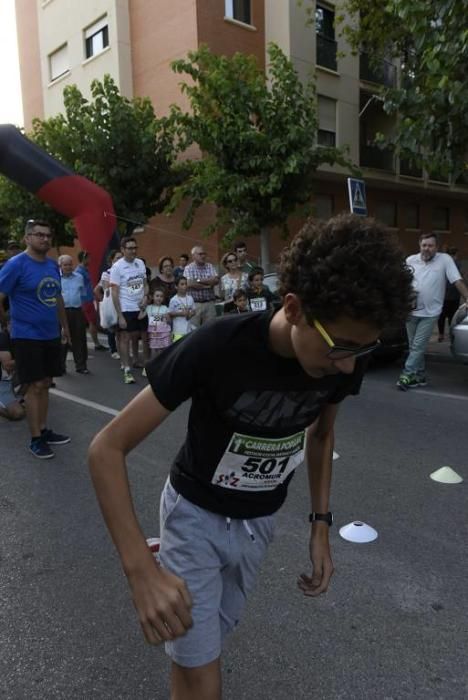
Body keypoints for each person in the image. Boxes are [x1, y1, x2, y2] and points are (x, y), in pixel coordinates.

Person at [88, 213, 414, 700]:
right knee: (202, 672)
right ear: (294, 307)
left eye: (362, 350)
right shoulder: (217, 346)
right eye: (341, 348)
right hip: (194, 515)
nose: (347, 366)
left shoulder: (345, 355)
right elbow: (106, 449)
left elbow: (322, 437)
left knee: (205, 646)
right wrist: (141, 573)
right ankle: (169, 565)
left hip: (259, 523)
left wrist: (320, 525)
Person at [0, 219, 71, 459]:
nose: (45, 239)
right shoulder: (15, 265)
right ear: (27, 238)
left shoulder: (52, 265)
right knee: (34, 385)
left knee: (46, 383)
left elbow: (57, 297)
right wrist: (6, 324)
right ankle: (35, 439)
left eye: (48, 235)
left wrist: (65, 327)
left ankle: (43, 429)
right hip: (27, 335)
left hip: (50, 334)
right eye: (39, 235)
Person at [397, 232, 468, 390]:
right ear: (419, 245)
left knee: (418, 346)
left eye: (430, 245)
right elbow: (401, 281)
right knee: (414, 346)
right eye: (424, 245)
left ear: (436, 247)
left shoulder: (444, 260)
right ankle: (420, 376)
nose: (427, 249)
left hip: (431, 312)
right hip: (410, 311)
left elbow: (457, 280)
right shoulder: (410, 260)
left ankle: (407, 374)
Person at [110, 236, 150, 384]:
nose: (133, 251)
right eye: (130, 248)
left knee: (145, 338)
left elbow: (145, 284)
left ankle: (147, 365)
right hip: (126, 308)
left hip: (141, 307)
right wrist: (119, 315)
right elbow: (114, 292)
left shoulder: (140, 263)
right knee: (125, 338)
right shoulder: (117, 267)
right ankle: (127, 369)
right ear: (123, 250)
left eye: (135, 248)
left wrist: (146, 297)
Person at [59, 255, 89, 374]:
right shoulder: (56, 278)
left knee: (80, 339)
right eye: (65, 265)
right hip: (62, 312)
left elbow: (83, 293)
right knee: (62, 339)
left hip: (76, 311)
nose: (68, 267)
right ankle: (60, 366)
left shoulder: (79, 277)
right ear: (60, 266)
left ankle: (81, 365)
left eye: (70, 264)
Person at [75, 251, 107, 352]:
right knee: (92, 322)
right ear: (83, 259)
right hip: (85, 301)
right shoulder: (79, 271)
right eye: (88, 258)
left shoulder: (84, 270)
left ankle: (93, 343)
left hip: (88, 299)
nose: (90, 260)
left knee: (91, 322)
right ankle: (96, 344)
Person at [94, 250, 123, 360]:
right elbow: (104, 290)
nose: (120, 260)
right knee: (112, 327)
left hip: (123, 303)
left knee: (122, 330)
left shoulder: (125, 271)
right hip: (113, 303)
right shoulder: (107, 273)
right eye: (117, 258)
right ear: (111, 260)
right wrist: (103, 301)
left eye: (121, 258)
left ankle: (122, 349)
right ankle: (114, 350)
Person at [184, 246, 219, 327]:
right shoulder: (188, 268)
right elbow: (189, 283)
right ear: (193, 256)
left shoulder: (210, 266)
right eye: (200, 254)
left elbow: (216, 280)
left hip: (209, 303)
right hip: (195, 305)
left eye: (204, 254)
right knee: (194, 331)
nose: (203, 256)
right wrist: (208, 283)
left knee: (210, 330)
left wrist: (199, 280)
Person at [0, 326, 25, 421]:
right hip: (2, 383)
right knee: (18, 414)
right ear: (7, 325)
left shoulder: (24, 338)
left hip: (10, 381)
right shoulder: (3, 338)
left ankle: (18, 397)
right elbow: (7, 365)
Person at [437, 247, 461, 342]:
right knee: (452, 317)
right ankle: (451, 335)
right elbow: (460, 279)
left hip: (443, 296)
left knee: (441, 316)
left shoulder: (443, 264)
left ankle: (441, 335)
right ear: (455, 255)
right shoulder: (457, 264)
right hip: (453, 296)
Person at [140, 288, 172, 360]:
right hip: (153, 334)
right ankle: (154, 367)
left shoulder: (165, 308)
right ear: (153, 297)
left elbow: (169, 322)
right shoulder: (149, 308)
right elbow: (140, 317)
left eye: (161, 296)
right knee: (153, 351)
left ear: (163, 298)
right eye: (157, 296)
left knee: (163, 351)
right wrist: (143, 308)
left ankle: (163, 367)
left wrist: (167, 317)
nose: (159, 298)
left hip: (164, 333)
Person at [168, 276, 196, 342]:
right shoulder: (173, 300)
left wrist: (190, 314)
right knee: (178, 349)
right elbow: (170, 313)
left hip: (188, 330)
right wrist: (180, 313)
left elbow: (194, 310)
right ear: (176, 286)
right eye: (182, 284)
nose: (185, 286)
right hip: (178, 330)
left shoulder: (190, 298)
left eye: (186, 284)